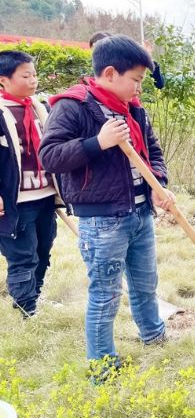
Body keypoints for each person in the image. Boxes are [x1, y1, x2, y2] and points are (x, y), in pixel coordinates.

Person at [39, 35, 175, 375]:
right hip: (102, 222)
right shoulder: (73, 106)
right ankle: (103, 365)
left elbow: (153, 154)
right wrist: (97, 143)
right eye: (136, 80)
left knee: (146, 284)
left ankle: (153, 335)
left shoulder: (134, 110)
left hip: (142, 213)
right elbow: (50, 156)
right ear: (111, 73)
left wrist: (158, 185)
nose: (138, 87)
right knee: (105, 294)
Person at [0, 51, 58, 317]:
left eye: (34, 74)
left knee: (43, 251)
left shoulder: (38, 107)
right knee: (23, 256)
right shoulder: (2, 113)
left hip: (44, 194)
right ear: (4, 80)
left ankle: (30, 296)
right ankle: (28, 310)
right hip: (15, 202)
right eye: (26, 76)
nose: (33, 80)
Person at [88, 31, 164, 89]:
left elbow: (159, 85)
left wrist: (146, 58)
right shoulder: (90, 70)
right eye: (93, 50)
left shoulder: (128, 66)